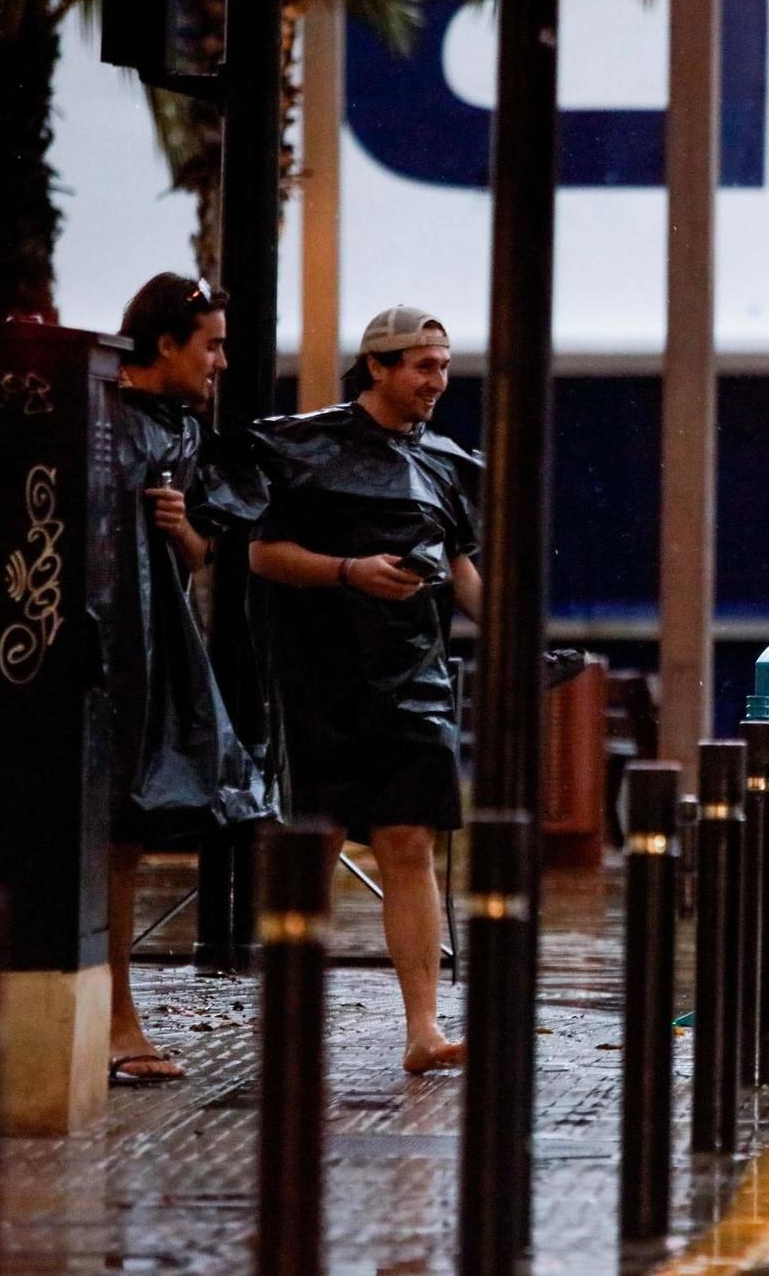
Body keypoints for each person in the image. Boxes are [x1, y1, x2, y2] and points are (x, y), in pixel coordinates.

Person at [248, 307, 481, 1074]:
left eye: (444, 366)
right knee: (309, 846)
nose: (437, 381)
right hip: (319, 677)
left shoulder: (446, 460)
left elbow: (463, 567)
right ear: (377, 366)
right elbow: (262, 554)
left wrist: (518, 635)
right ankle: (288, 1015)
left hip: (412, 675)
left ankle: (423, 1029)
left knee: (408, 844)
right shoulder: (307, 444)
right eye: (423, 365)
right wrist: (349, 571)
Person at [107, 273, 277, 1085]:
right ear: (166, 343)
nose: (220, 362)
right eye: (208, 345)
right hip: (109, 654)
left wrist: (179, 532)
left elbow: (203, 550)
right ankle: (110, 1016)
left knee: (125, 832)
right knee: (112, 830)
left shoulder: (180, 435)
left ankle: (115, 1013)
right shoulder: (103, 421)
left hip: (152, 651)